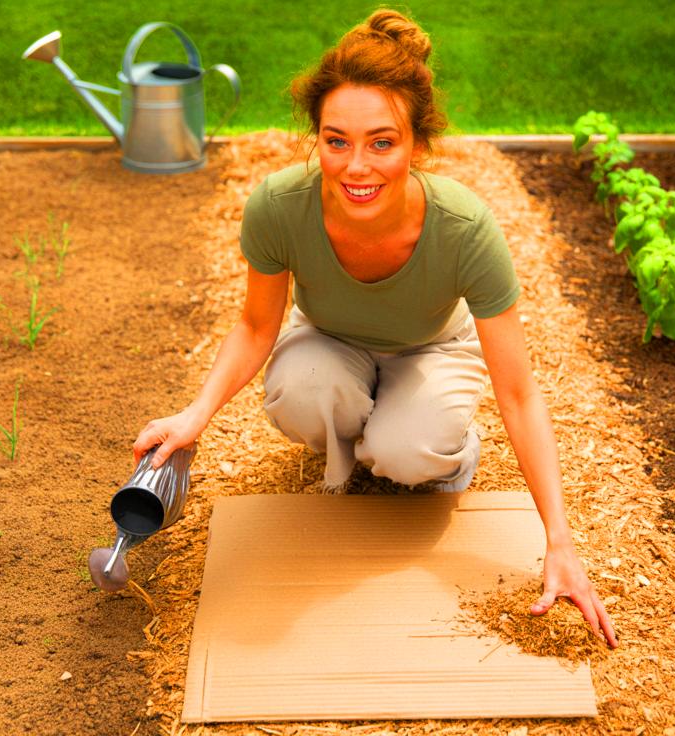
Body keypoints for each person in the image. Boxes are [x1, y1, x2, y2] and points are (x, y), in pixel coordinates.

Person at [133, 9, 616, 648]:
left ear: (417, 143)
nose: (356, 166)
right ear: (318, 137)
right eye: (336, 141)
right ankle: (361, 438)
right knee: (303, 391)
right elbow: (256, 326)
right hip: (332, 335)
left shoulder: (464, 228)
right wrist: (194, 415)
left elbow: (520, 392)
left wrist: (559, 540)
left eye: (381, 143)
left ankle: (438, 449)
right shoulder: (279, 208)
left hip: (434, 345)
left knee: (407, 454)